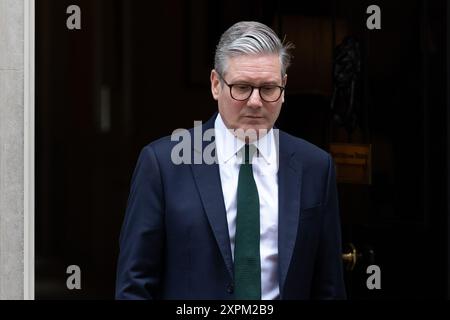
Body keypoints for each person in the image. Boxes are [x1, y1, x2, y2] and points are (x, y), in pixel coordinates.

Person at [115, 21, 346, 300]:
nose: (255, 102)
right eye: (242, 87)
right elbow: (135, 285)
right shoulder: (163, 164)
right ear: (216, 84)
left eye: (268, 89)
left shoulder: (315, 168)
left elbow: (329, 287)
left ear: (284, 87)